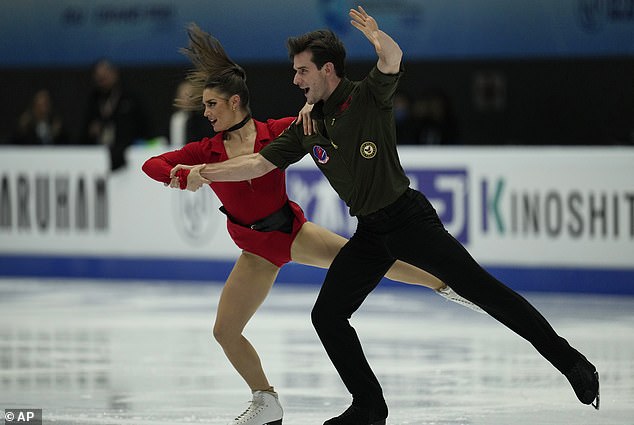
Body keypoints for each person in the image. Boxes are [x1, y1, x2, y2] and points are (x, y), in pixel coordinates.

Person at [172, 7, 600, 425]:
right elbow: (258, 164)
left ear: (328, 71)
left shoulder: (366, 96)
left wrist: (380, 40)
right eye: (295, 70)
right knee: (327, 315)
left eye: (302, 70)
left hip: (411, 222)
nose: (295, 79)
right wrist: (203, 172)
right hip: (372, 233)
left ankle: (573, 363)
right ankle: (369, 408)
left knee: (488, 293)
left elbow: (391, 61)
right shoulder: (306, 126)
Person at [142, 24, 480, 425]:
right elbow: (152, 164)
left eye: (212, 105)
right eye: (205, 106)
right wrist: (186, 175)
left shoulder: (275, 132)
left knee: (380, 260)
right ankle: (266, 401)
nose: (207, 113)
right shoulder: (207, 150)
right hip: (254, 252)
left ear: (235, 102)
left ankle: (446, 283)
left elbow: (328, 115)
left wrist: (312, 110)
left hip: (292, 234)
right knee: (224, 331)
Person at [81, 59, 147, 171]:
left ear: (114, 74)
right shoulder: (94, 99)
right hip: (99, 152)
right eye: (99, 77)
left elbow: (143, 125)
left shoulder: (129, 98)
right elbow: (85, 129)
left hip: (127, 151)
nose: (102, 80)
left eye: (105, 75)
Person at [169, 79, 213, 147]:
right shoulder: (175, 118)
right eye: (182, 96)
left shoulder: (202, 120)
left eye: (189, 97)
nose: (186, 100)